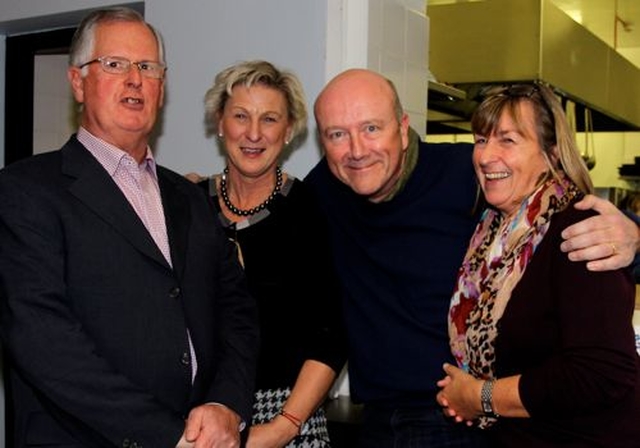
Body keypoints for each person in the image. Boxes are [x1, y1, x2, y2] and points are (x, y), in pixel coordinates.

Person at [304, 68, 640, 447]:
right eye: (337, 134)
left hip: (461, 419)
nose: (357, 149)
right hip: (383, 417)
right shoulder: (324, 192)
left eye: (371, 129)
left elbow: (571, 221)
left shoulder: (472, 175)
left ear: (401, 127)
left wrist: (635, 236)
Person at [0, 7, 259, 448]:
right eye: (115, 64)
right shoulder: (24, 192)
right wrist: (169, 435)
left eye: (147, 67)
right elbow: (44, 342)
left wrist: (227, 406)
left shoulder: (191, 200)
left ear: (162, 86)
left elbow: (236, 312)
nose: (134, 79)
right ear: (78, 83)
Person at [437, 83, 640, 446]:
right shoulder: (491, 231)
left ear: (551, 153)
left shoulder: (578, 230)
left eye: (508, 140)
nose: (485, 156)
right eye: (481, 140)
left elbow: (601, 374)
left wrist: (479, 397)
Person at [193, 60, 347, 447]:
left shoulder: (312, 211)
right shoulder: (187, 206)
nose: (254, 134)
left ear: (290, 129)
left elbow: (331, 335)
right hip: (202, 418)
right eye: (241, 116)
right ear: (218, 122)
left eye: (270, 119)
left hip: (287, 417)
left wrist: (283, 426)